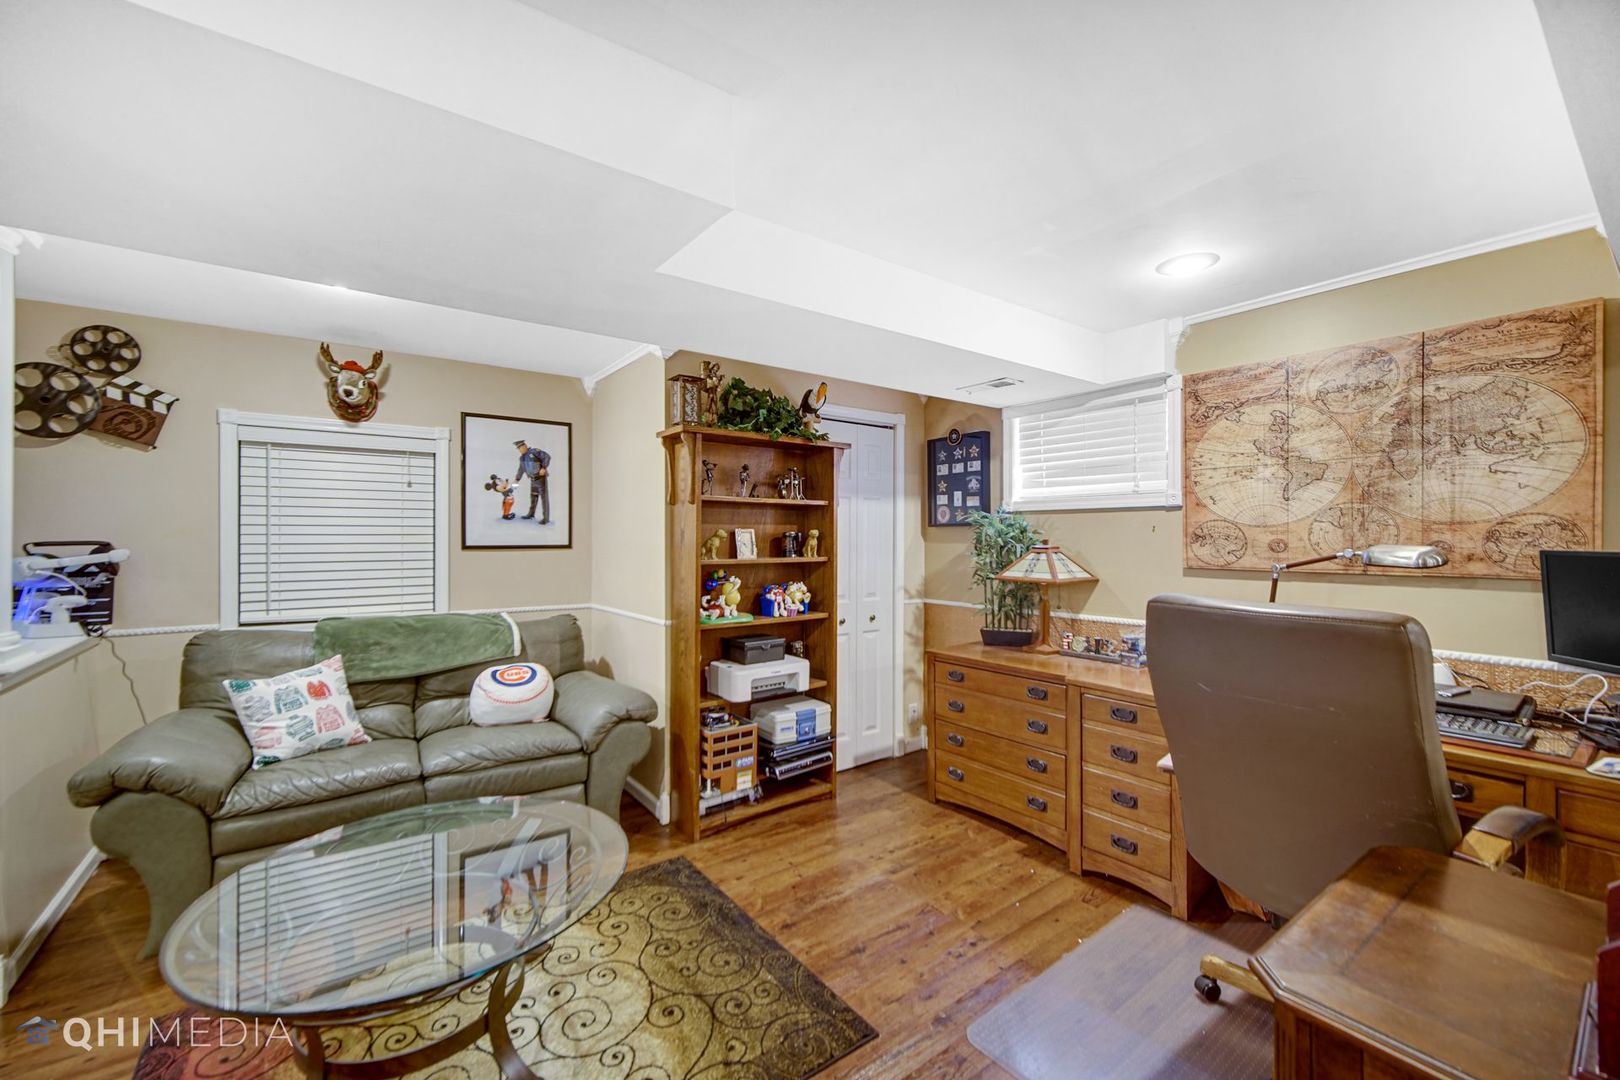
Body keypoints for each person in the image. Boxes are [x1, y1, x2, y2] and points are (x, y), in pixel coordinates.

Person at [514, 439, 551, 525]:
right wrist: (517, 479)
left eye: (521, 447)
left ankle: (546, 518)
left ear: (525, 446)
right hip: (532, 480)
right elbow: (521, 470)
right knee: (533, 497)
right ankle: (531, 514)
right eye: (518, 448)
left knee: (544, 498)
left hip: (541, 478)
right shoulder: (521, 458)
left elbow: (547, 457)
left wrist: (544, 467)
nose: (520, 449)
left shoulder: (534, 452)